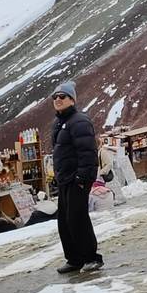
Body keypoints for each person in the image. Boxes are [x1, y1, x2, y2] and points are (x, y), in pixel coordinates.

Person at [51, 80, 103, 273]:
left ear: (72, 99)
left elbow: (88, 152)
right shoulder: (58, 122)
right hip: (65, 178)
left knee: (77, 218)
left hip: (77, 178)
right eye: (55, 97)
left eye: (62, 96)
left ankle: (92, 258)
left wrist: (82, 178)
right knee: (64, 221)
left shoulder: (79, 121)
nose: (58, 100)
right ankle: (74, 259)